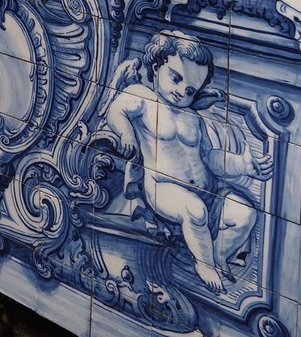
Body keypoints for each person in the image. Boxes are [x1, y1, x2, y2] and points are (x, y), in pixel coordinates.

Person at [103, 29, 273, 293]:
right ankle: (204, 264)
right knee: (194, 210)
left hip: (208, 191)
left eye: (191, 89)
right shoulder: (145, 98)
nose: (182, 91)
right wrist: (126, 133)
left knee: (245, 213)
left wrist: (242, 165)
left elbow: (210, 158)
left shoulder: (193, 118)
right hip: (163, 189)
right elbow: (116, 109)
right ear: (156, 66)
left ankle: (215, 256)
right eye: (176, 78)